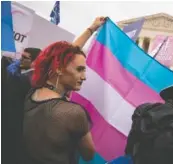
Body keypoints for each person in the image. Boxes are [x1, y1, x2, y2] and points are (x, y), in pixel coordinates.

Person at [22, 17, 106, 164]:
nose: (84, 77)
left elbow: (65, 57)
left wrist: (91, 29)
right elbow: (89, 155)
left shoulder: (32, 92)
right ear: (59, 69)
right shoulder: (73, 113)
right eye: (80, 70)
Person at [2, 48, 41, 164]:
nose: (21, 59)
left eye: (25, 57)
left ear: (35, 62)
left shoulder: (33, 82)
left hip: (18, 127)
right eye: (21, 56)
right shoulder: (11, 72)